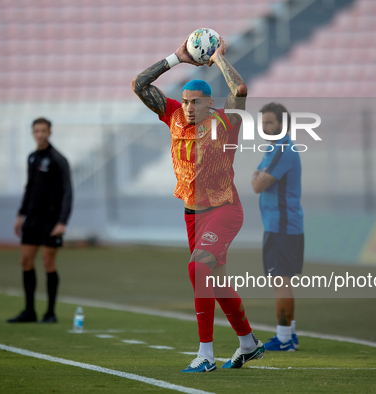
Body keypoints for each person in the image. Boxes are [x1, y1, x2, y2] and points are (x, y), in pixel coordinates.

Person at [131, 35, 264, 372]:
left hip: (224, 209)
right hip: (193, 213)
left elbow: (241, 91)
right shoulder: (173, 114)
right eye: (186, 101)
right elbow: (139, 83)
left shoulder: (226, 121)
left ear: (209, 103)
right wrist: (176, 58)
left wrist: (218, 58)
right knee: (213, 279)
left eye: (196, 102)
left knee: (198, 268)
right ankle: (248, 343)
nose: (189, 107)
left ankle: (206, 355)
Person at [7, 117, 73, 324]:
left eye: (44, 130)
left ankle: (50, 312)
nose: (40, 134)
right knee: (25, 260)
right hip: (33, 218)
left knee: (47, 261)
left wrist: (62, 221)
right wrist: (20, 214)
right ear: (33, 133)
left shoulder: (58, 159)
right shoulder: (32, 158)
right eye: (37, 131)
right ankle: (29, 311)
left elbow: (67, 192)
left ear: (49, 132)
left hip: (51, 219)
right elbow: (30, 188)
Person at [251, 103, 304, 351]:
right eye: (263, 123)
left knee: (281, 280)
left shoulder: (284, 149)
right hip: (280, 225)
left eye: (269, 122)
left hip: (281, 226)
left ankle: (284, 339)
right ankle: (289, 335)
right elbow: (257, 178)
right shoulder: (274, 148)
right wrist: (258, 177)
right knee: (282, 280)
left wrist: (258, 177)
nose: (265, 127)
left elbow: (258, 184)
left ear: (282, 124)